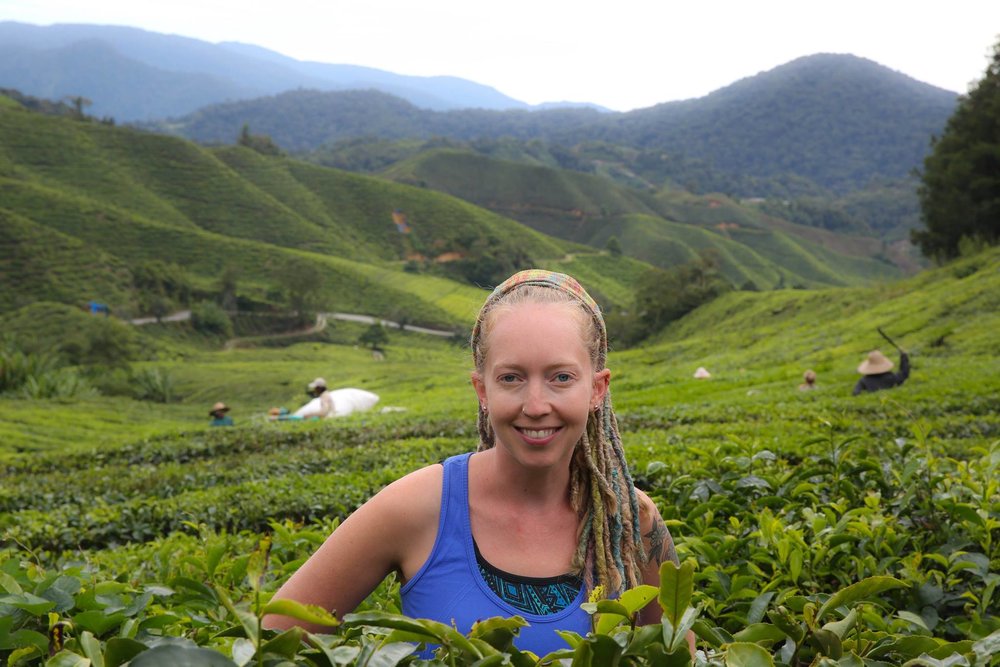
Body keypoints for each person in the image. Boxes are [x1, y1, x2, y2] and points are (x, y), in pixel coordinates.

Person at [265, 270, 692, 657]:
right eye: (511, 378)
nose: (536, 405)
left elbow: (678, 658)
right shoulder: (416, 506)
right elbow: (271, 640)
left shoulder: (631, 522)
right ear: (482, 390)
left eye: (561, 377)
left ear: (597, 389)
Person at [293, 378, 380, 419]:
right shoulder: (326, 394)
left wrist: (310, 415)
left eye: (315, 388)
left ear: (318, 388)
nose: (314, 390)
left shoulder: (324, 397)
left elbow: (324, 412)